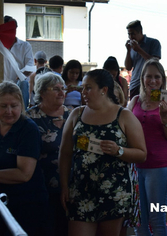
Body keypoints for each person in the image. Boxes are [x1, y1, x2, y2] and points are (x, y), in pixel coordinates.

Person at [59, 69, 147, 236]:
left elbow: (142, 154)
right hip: (80, 191)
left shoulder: (124, 116)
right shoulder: (76, 115)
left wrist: (118, 150)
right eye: (82, 88)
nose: (83, 92)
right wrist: (64, 186)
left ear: (103, 90)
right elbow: (65, 154)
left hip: (113, 193)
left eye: (88, 88)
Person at [128, 59, 167, 236]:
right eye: (148, 76)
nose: (153, 81)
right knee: (139, 222)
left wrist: (165, 121)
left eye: (157, 77)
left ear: (163, 79)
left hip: (159, 167)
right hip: (136, 167)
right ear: (142, 78)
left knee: (157, 220)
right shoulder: (135, 100)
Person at [0, 81, 48, 236]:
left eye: (14, 106)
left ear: (22, 105)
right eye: (3, 106)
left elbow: (24, 174)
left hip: (27, 204)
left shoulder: (28, 129)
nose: (9, 111)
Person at [26, 72, 70, 236]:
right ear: (42, 92)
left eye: (62, 88)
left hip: (70, 188)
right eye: (55, 89)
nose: (61, 92)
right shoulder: (30, 118)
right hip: (41, 189)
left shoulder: (73, 115)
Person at [3, 16, 35, 110]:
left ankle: (23, 113)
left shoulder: (25, 46)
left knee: (23, 82)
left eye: (13, 29)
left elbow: (30, 66)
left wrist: (21, 75)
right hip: (1, 84)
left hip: (18, 85)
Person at [125, 20, 161, 100]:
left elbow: (155, 62)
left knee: (155, 106)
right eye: (129, 34)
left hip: (153, 83)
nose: (131, 37)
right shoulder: (132, 47)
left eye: (133, 34)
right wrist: (128, 51)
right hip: (135, 84)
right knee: (135, 110)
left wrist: (139, 50)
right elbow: (128, 67)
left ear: (140, 32)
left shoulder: (154, 42)